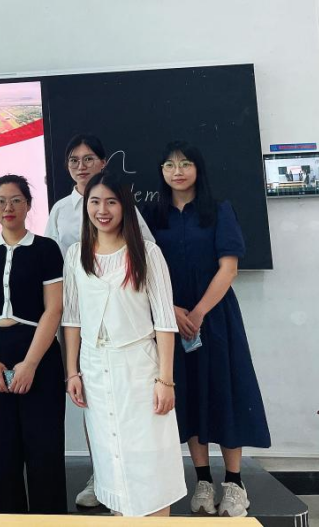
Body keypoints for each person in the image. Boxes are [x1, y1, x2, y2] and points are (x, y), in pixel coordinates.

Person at [147, 141, 271, 518]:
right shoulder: (151, 215)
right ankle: (203, 479)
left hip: (215, 317)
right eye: (169, 165)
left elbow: (229, 268)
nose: (177, 171)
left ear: (198, 168)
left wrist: (198, 312)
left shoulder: (218, 210)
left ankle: (234, 482)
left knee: (224, 391)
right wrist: (171, 310)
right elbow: (144, 270)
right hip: (170, 319)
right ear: (161, 172)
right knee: (188, 394)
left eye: (185, 164)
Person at [62, 170, 185, 517]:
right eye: (95, 202)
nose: (102, 210)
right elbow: (72, 318)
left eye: (111, 202)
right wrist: (72, 372)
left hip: (140, 367)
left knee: (149, 464)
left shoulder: (147, 253)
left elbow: (165, 322)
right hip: (95, 368)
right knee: (111, 461)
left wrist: (165, 380)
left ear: (125, 206)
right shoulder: (76, 255)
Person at [44, 133, 154, 508]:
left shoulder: (122, 202)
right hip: (79, 317)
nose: (82, 166)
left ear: (103, 163)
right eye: (74, 160)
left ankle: (135, 477)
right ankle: (101, 474)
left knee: (130, 400)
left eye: (89, 159)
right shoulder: (60, 211)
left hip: (125, 318)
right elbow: (51, 265)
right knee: (91, 397)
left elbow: (148, 252)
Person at [0, 174, 67, 514]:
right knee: (1, 449)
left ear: (28, 205)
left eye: (16, 200)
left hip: (38, 352)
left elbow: (54, 308)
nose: (7, 207)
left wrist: (31, 363)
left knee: (44, 448)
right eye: (0, 201)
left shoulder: (46, 249)